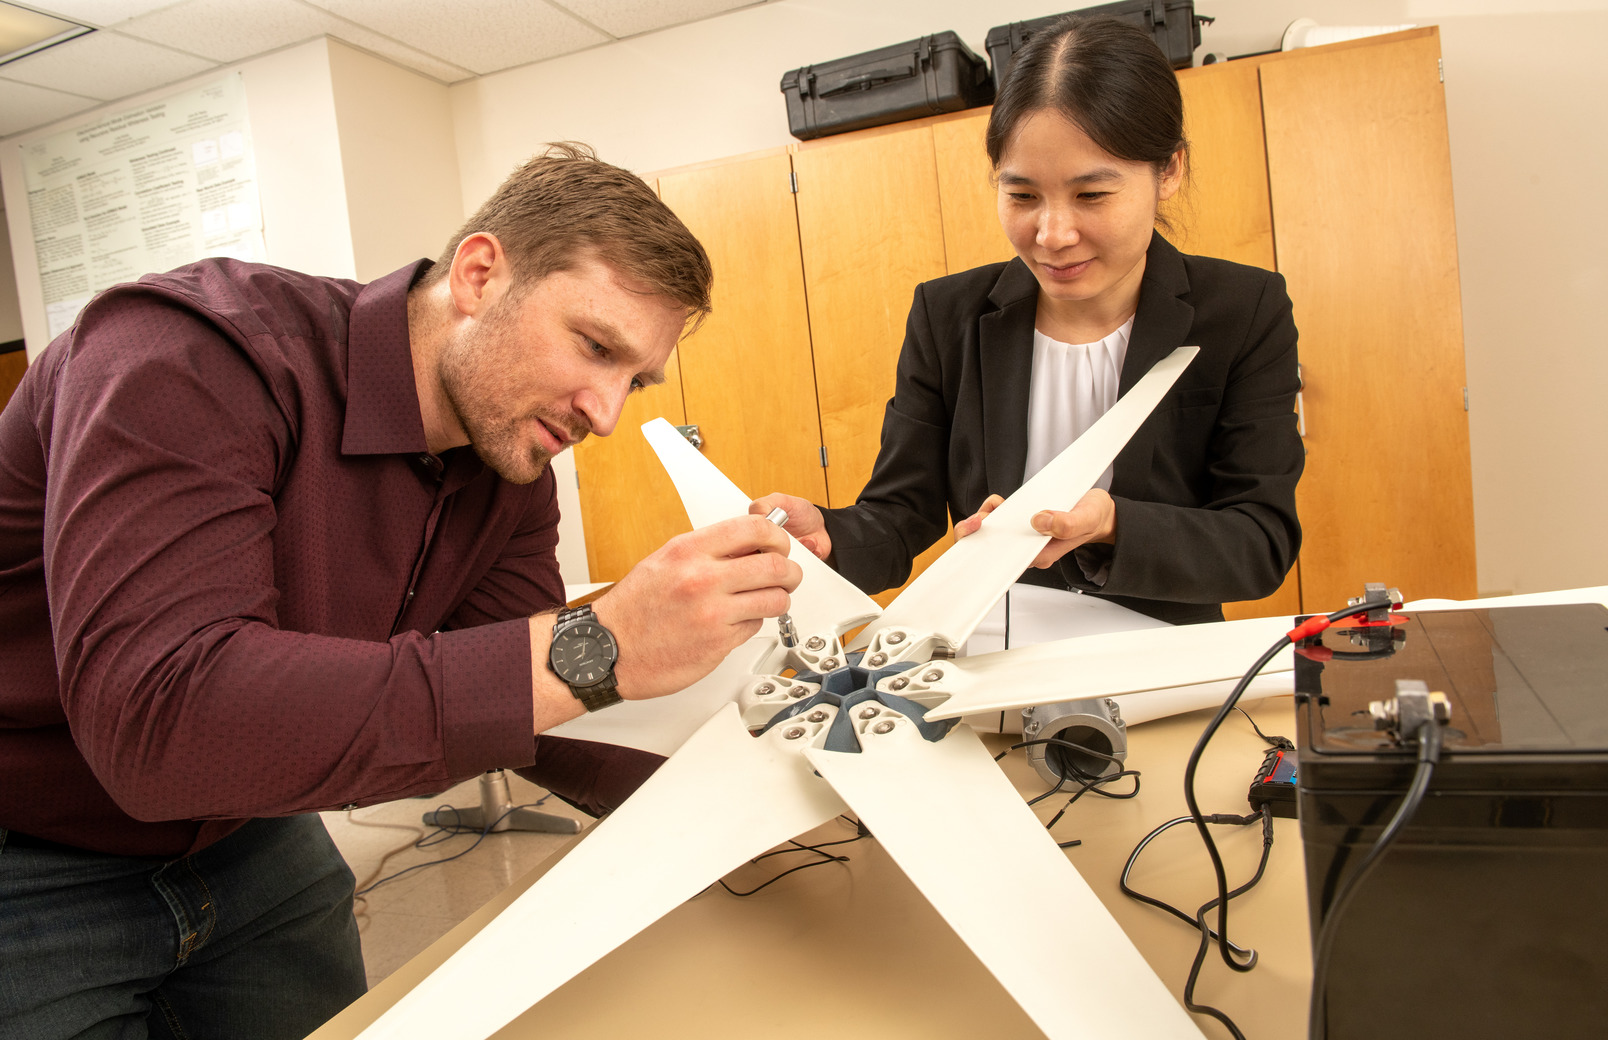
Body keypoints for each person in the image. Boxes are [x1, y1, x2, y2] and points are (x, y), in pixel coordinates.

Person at [0, 143, 800, 1038]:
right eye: (594, 346)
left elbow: (530, 703)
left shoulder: (511, 467)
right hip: (31, 860)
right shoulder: (187, 355)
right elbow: (162, 723)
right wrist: (600, 642)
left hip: (251, 835)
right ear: (480, 274)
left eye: (635, 379)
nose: (607, 413)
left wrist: (775, 778)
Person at [755, 16, 1302, 626]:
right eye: (1021, 196)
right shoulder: (948, 316)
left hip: (1160, 657)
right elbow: (898, 513)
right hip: (991, 651)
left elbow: (1260, 542)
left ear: (1169, 171)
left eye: (1092, 196)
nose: (1052, 235)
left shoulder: (1243, 310)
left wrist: (1115, 523)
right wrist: (828, 537)